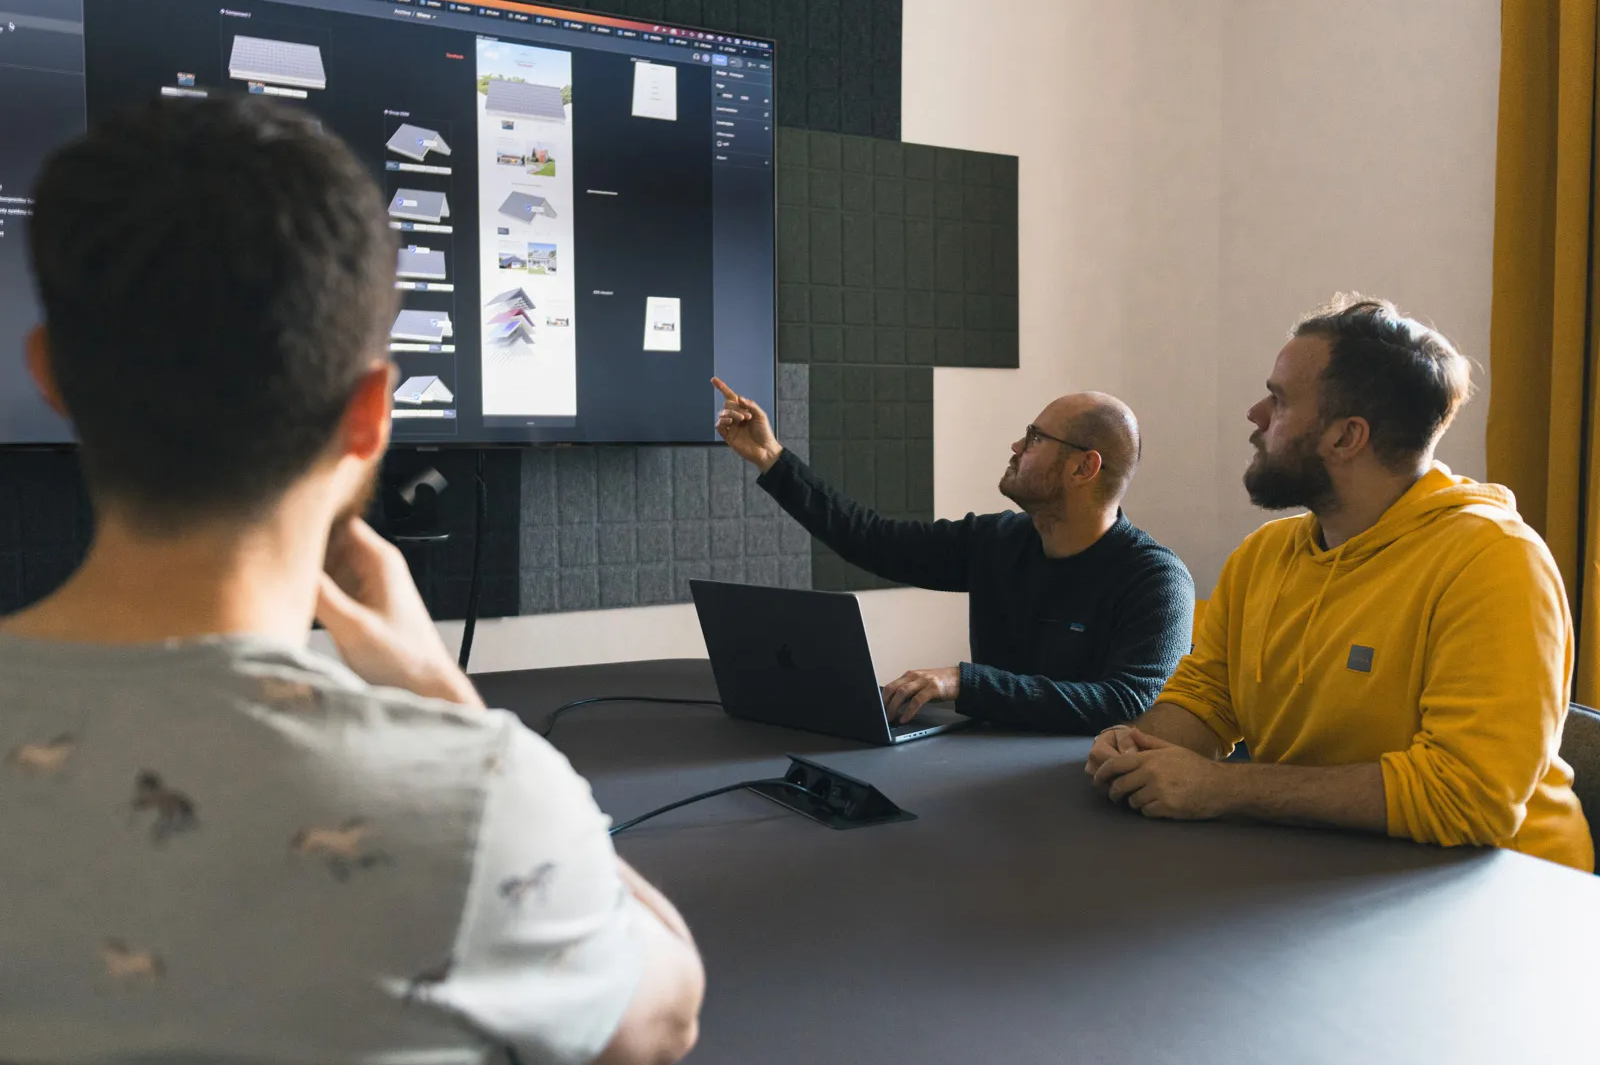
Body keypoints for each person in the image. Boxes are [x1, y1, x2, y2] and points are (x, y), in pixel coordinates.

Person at [0, 97, 703, 1063]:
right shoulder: (481, 798)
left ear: (52, 375)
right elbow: (664, 1017)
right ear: (373, 411)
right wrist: (448, 706)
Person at [1086, 295, 1593, 872]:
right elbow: (1207, 697)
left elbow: (1468, 797)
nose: (1255, 413)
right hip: (1325, 868)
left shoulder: (1495, 562)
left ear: (1346, 437)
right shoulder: (1263, 554)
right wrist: (1138, 746)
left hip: (1503, 890)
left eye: (1278, 400)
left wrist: (1221, 789)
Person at [712, 377, 1194, 733]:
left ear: (1085, 467)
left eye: (1035, 438)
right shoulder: (997, 541)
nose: (1016, 446)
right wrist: (771, 458)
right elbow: (872, 539)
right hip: (982, 772)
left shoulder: (1156, 579)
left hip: (1078, 788)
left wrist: (966, 683)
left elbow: (1125, 703)